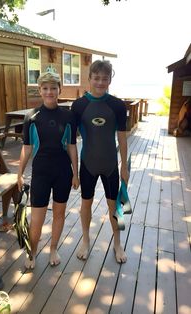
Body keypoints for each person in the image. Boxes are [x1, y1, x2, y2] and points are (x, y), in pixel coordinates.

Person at [17, 72, 79, 269]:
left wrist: (76, 174)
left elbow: (71, 146)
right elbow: (26, 148)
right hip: (41, 172)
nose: (49, 92)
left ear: (59, 89)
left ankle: (53, 248)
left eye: (53, 88)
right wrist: (19, 173)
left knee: (59, 213)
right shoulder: (31, 117)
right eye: (45, 88)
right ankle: (32, 251)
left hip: (63, 172)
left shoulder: (69, 116)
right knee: (37, 216)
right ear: (40, 90)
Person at [71, 60, 129, 263]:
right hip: (88, 164)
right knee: (85, 203)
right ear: (89, 79)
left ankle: (118, 243)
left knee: (116, 207)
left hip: (111, 165)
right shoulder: (79, 106)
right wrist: (74, 173)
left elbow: (122, 137)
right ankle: (85, 241)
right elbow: (70, 141)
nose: (100, 82)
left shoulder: (117, 105)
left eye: (105, 78)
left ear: (110, 80)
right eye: (96, 78)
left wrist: (125, 167)